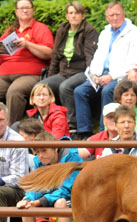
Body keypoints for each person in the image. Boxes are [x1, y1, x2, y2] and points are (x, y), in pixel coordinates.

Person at [17, 131, 81, 222]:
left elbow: (67, 189)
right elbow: (36, 185)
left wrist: (40, 202)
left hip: (76, 197)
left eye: (44, 150)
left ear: (55, 148)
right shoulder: (39, 162)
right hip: (51, 195)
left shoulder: (72, 157)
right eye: (37, 152)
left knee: (60, 203)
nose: (41, 155)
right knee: (26, 204)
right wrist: (28, 199)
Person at [73, 1, 137, 138]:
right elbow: (98, 56)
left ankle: (105, 131)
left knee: (108, 91)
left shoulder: (134, 33)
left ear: (124, 14)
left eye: (117, 14)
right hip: (101, 74)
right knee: (79, 91)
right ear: (106, 17)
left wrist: (111, 76)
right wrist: (95, 74)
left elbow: (133, 60)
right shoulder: (105, 33)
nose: (114, 18)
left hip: (120, 76)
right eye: (111, 15)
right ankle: (84, 132)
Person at [38, 1, 98, 132]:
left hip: (82, 71)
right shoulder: (62, 29)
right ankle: (44, 122)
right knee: (41, 87)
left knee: (65, 87)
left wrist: (93, 74)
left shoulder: (89, 30)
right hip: (63, 72)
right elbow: (55, 56)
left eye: (77, 13)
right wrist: (50, 77)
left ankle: (72, 126)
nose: (73, 16)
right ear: (67, 16)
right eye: (70, 13)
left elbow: (90, 55)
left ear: (83, 16)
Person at [0, 0, 54, 125]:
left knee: (15, 91)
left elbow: (48, 53)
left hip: (29, 75)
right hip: (4, 74)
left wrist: (28, 44)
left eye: (27, 8)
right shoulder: (9, 32)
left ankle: (10, 132)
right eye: (21, 8)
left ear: (33, 10)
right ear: (16, 12)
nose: (24, 10)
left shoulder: (40, 28)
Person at [0, 102, 29, 222]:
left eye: (1, 119)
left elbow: (20, 178)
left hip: (16, 190)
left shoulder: (17, 140)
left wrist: (1, 180)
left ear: (8, 119)